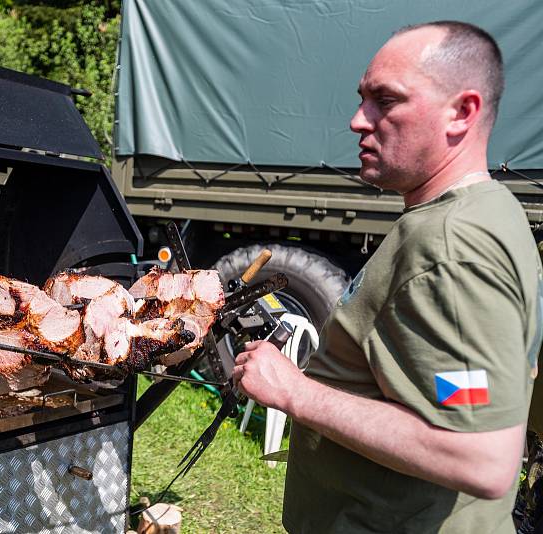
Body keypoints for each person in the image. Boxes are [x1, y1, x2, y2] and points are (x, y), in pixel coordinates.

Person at [233, 21, 543, 533]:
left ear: (461, 113)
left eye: (385, 100)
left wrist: (294, 392)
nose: (358, 120)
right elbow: (458, 393)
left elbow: (481, 457)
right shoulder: (489, 211)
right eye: (362, 99)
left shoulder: (451, 244)